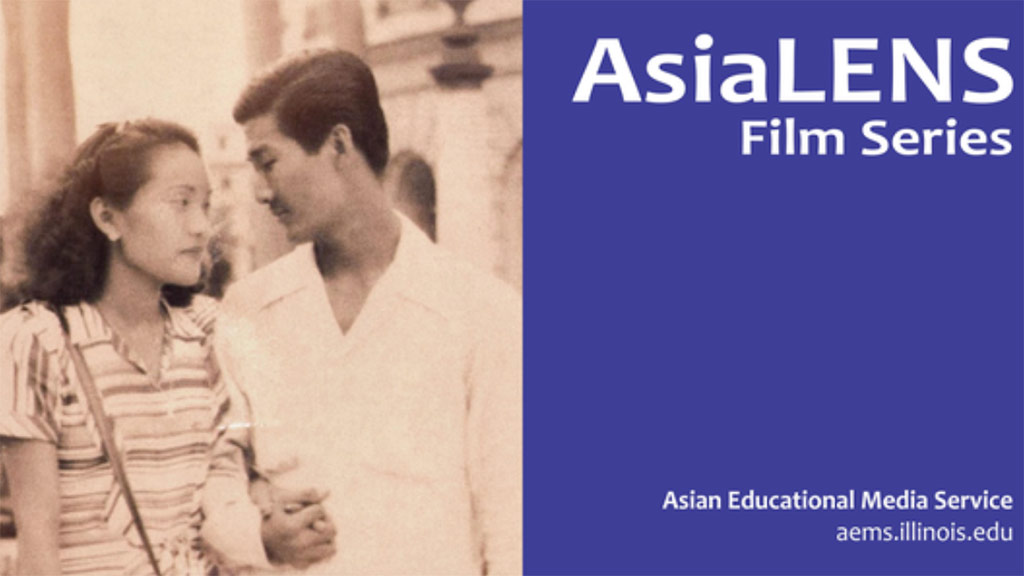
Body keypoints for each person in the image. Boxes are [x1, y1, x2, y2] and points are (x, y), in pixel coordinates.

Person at [212, 48, 523, 574]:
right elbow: (214, 474)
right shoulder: (249, 310)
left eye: (268, 162)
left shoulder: (482, 312)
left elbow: (513, 525)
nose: (261, 193)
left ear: (337, 143)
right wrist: (257, 535)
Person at [0, 119, 241, 574]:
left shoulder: (205, 335)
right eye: (181, 203)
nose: (201, 227)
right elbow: (39, 547)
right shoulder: (38, 342)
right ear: (108, 217)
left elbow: (224, 497)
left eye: (205, 206)